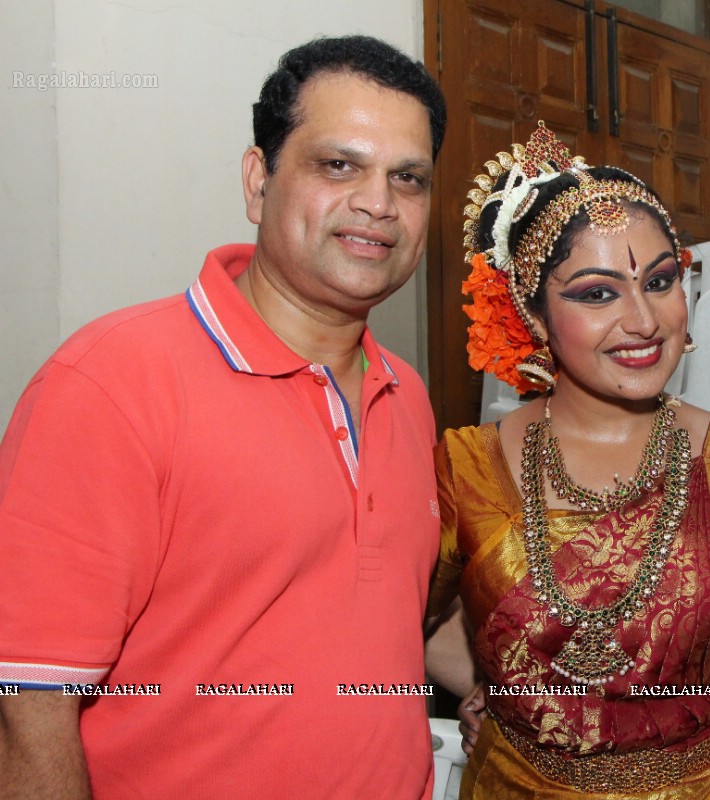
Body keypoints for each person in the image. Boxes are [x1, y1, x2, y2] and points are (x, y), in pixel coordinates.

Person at [0, 36, 447, 798]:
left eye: (407, 177)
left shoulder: (406, 393)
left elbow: (388, 629)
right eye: (338, 165)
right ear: (257, 179)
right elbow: (28, 703)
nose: (378, 202)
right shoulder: (111, 382)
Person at [422, 123, 710, 799]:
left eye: (661, 281)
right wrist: (510, 693)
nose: (643, 320)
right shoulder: (469, 469)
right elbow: (415, 625)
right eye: (596, 293)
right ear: (534, 314)